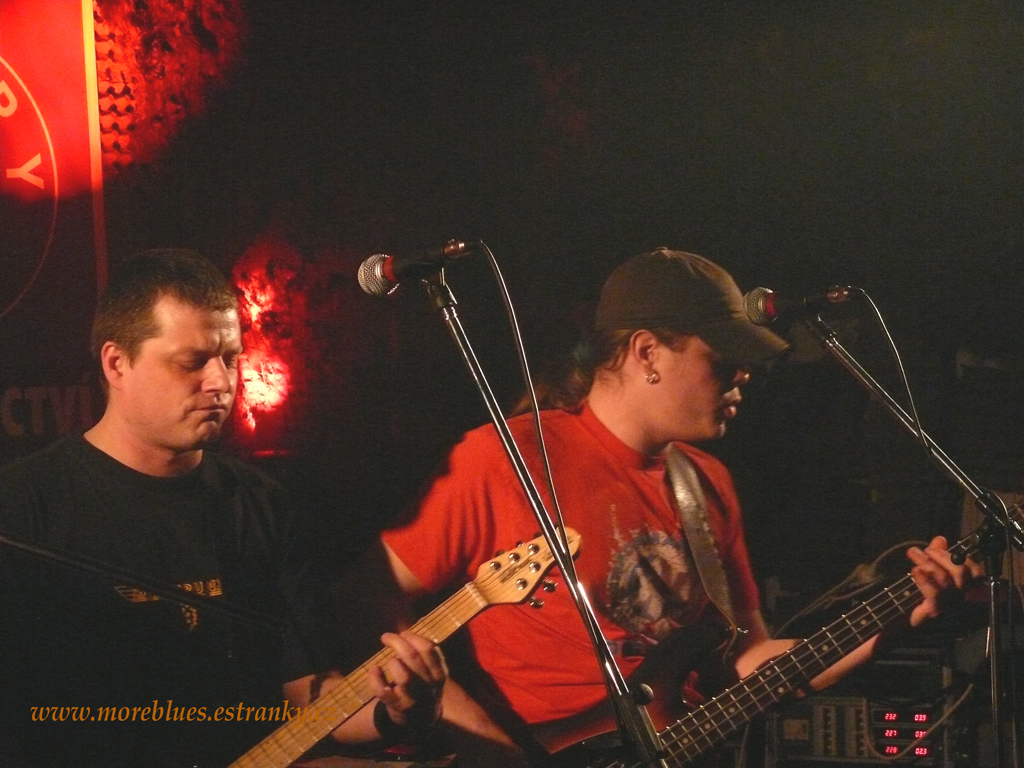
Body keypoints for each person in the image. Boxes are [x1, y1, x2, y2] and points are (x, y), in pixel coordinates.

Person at [360, 248, 980, 767]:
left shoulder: (707, 484)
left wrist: (896, 622)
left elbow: (748, 665)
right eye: (722, 357)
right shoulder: (508, 457)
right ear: (647, 352)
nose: (743, 375)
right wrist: (480, 741)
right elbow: (364, 599)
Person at [0, 249, 446, 768]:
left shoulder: (258, 503)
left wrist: (398, 711)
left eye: (230, 357)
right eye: (191, 362)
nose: (221, 381)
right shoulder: (24, 507)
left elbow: (304, 691)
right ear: (117, 364)